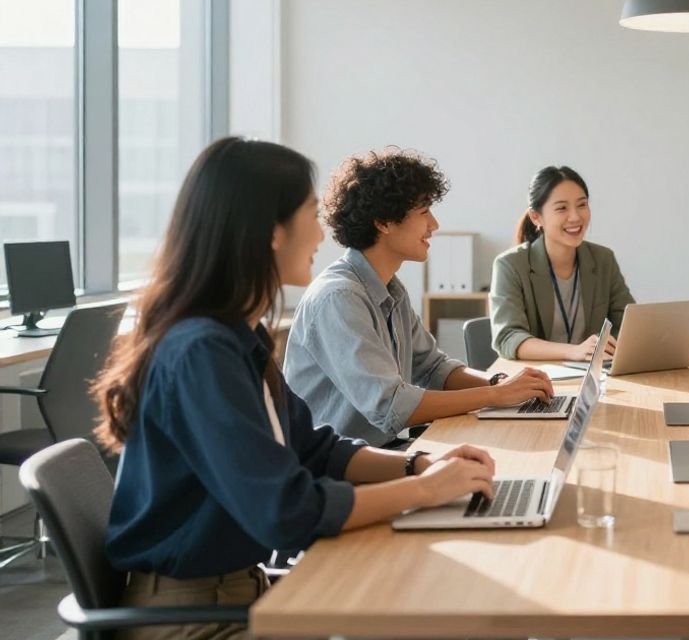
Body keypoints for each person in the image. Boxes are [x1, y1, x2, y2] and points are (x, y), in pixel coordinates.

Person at [93, 138, 498, 639]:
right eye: (309, 213)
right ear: (268, 233)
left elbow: (314, 448)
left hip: (244, 592)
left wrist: (420, 465)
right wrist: (424, 490)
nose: (320, 231)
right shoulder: (201, 352)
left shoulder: (238, 335)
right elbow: (287, 511)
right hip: (193, 619)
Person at [286, 149, 552, 447]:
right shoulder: (339, 298)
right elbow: (392, 407)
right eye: (424, 211)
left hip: (380, 452)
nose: (434, 225)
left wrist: (500, 383)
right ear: (383, 222)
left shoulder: (391, 289)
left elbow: (432, 368)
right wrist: (496, 396)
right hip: (341, 471)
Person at [491, 166, 634, 361]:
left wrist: (613, 346)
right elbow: (508, 338)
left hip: (594, 378)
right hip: (537, 379)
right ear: (536, 217)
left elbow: (628, 323)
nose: (575, 217)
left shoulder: (603, 259)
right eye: (562, 208)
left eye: (582, 205)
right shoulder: (510, 265)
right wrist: (573, 351)